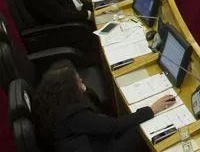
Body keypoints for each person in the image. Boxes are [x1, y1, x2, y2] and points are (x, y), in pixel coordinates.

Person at [33, 61, 176, 152]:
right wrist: (152, 109)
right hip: (101, 147)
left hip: (90, 142)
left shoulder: (55, 104)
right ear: (69, 89)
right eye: (77, 81)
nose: (81, 80)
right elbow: (113, 125)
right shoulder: (74, 115)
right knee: (141, 129)